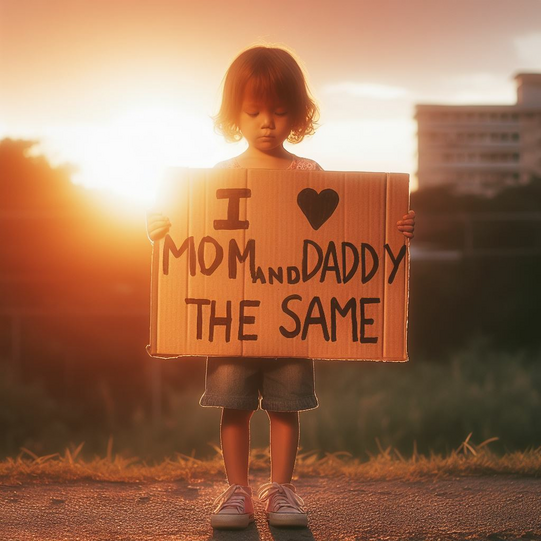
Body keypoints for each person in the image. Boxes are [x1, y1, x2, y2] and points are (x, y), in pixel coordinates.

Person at [146, 45, 416, 531]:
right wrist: (162, 229)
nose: (266, 122)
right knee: (234, 406)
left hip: (295, 320)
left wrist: (394, 230)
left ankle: (282, 489)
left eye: (279, 109)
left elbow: (348, 237)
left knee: (286, 408)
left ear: (298, 114)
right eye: (253, 111)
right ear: (236, 115)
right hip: (232, 320)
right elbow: (191, 237)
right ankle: (237, 491)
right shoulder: (220, 179)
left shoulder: (309, 175)